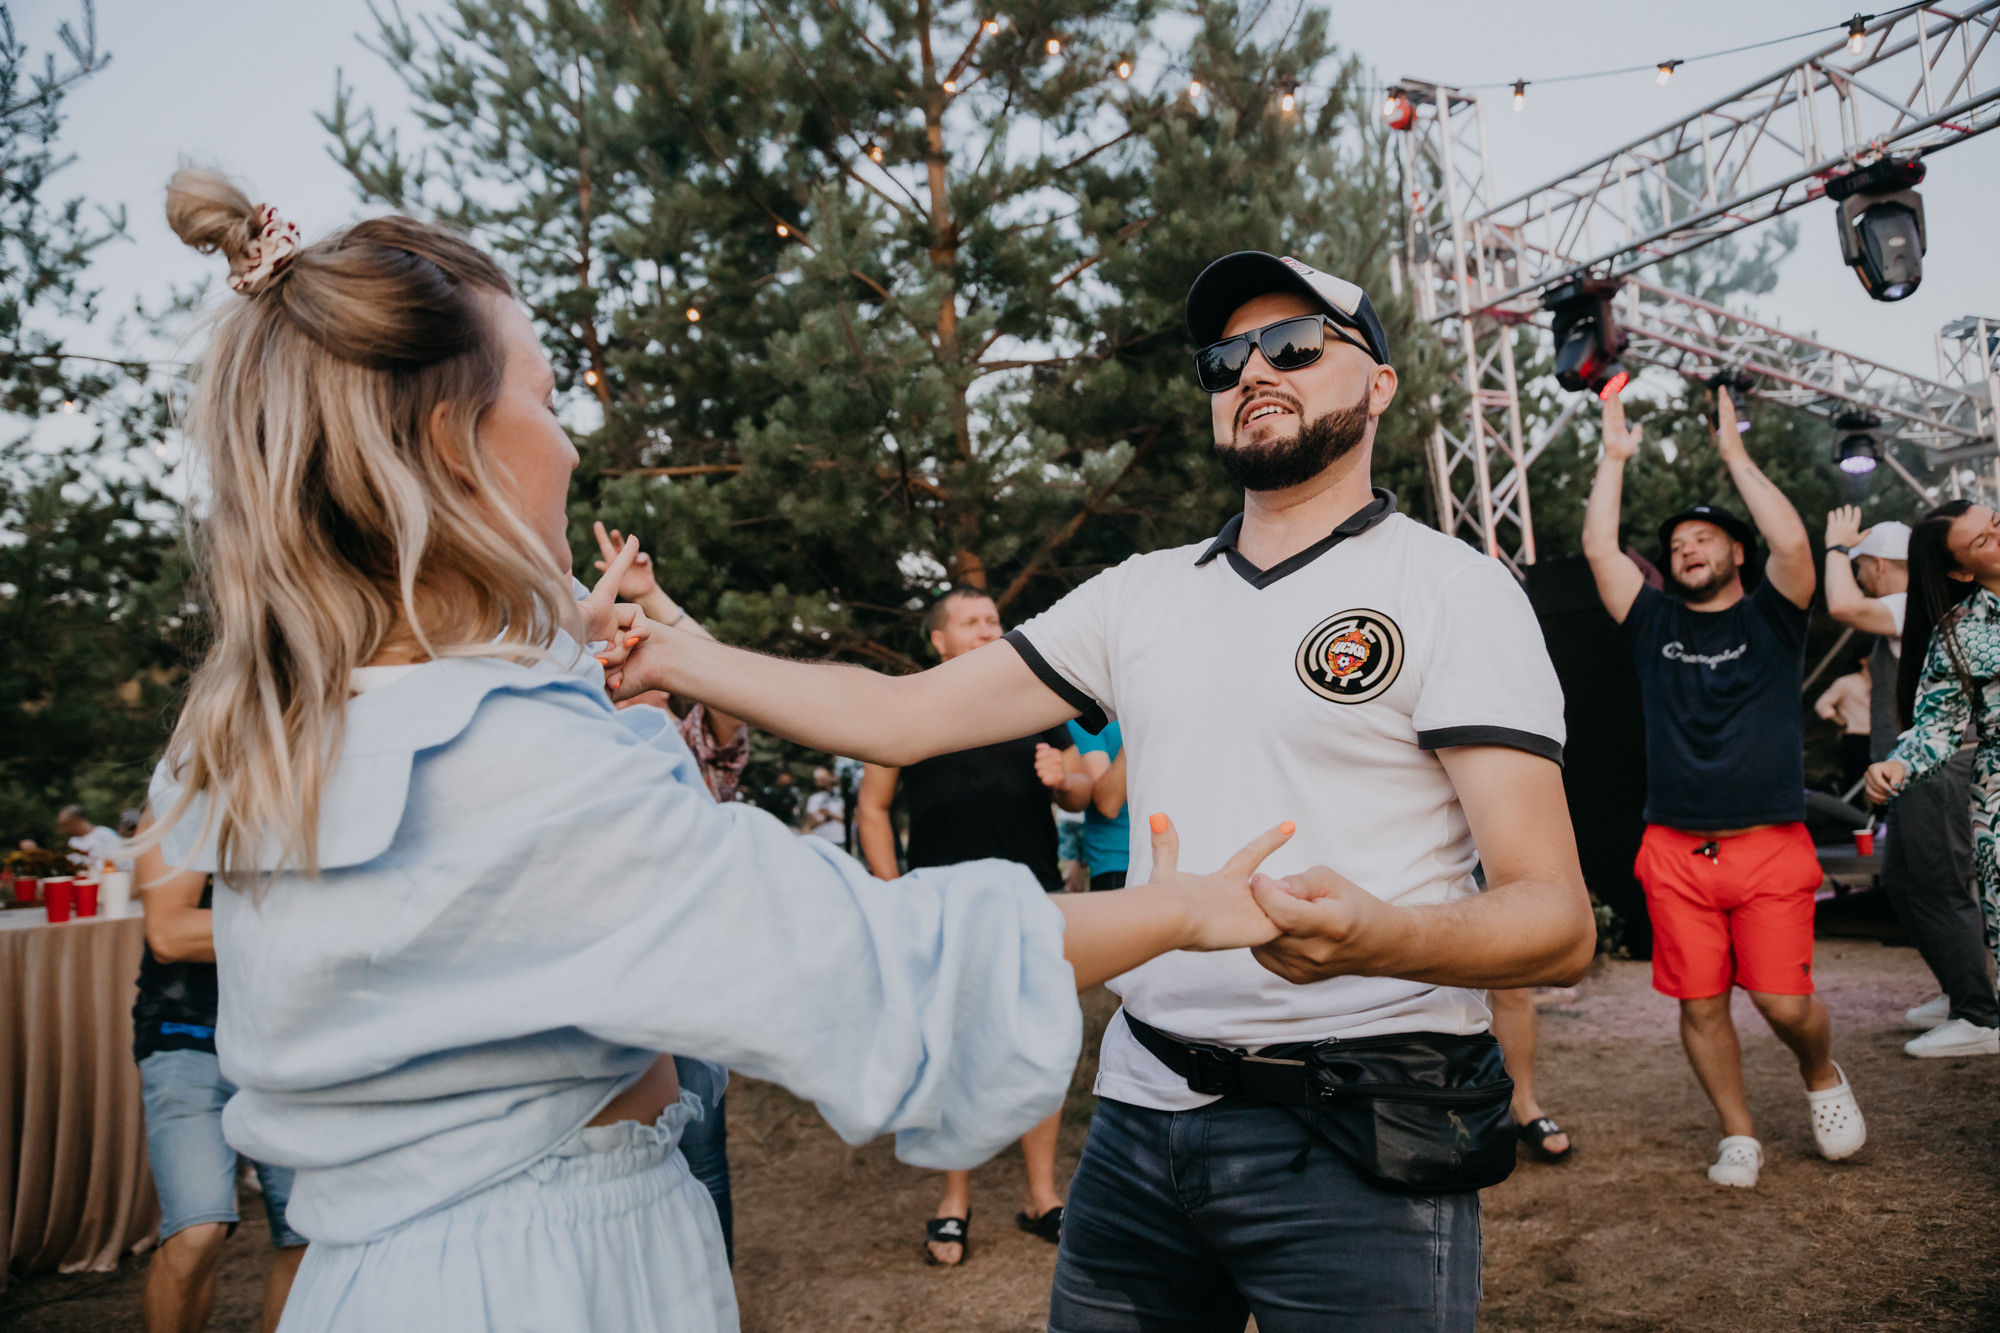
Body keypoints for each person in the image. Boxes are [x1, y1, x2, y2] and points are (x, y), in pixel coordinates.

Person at [138, 169, 1296, 1333]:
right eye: (546, 401)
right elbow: (882, 965)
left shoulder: (272, 728)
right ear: (452, 448)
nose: (571, 449)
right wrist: (1186, 909)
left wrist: (568, 633)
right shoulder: (517, 764)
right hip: (539, 1287)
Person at [620, 250, 1597, 1331]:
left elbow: (1553, 921)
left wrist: (1376, 937)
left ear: (1378, 384)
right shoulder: (1139, 595)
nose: (1251, 370)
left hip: (1356, 1130)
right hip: (1137, 1127)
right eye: (1224, 356)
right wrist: (673, 657)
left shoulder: (1453, 590)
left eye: (1293, 342)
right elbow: (899, 716)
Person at [1583, 387, 1864, 1190]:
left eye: (1706, 538)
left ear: (1738, 553)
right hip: (1673, 847)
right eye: (1678, 542)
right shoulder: (1653, 625)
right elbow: (1603, 549)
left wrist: (1735, 454)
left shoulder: (1776, 617)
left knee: (1781, 1003)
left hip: (1768, 846)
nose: (1687, 548)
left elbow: (1793, 544)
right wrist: (1614, 458)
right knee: (1701, 1002)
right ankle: (1738, 1133)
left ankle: (1820, 1072)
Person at [853, 584, 1092, 1263]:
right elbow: (875, 806)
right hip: (941, 900)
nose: (989, 629)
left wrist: (1063, 777)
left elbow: (1081, 789)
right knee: (952, 1044)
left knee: (1041, 1030)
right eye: (971, 621)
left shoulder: (1032, 699)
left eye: (994, 618)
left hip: (1035, 895)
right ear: (939, 639)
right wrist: (893, 893)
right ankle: (953, 1198)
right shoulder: (909, 704)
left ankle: (1042, 1195)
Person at [1825, 507, 1997, 1056]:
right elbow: (1937, 725)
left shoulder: (1910, 608)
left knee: (1939, 886)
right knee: (1907, 881)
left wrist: (1833, 547)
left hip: (1950, 779)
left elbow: (1843, 605)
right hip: (1972, 784)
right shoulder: (1958, 630)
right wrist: (1900, 762)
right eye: (1984, 537)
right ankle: (1966, 999)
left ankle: (1974, 1007)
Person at [131, 820, 305, 1333]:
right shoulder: (183, 793)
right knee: (196, 1231)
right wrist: (315, 927)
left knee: (307, 1235)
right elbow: (169, 933)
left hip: (289, 1037)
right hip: (187, 1030)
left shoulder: (321, 790)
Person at [1071, 720, 1130, 891]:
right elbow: (1108, 804)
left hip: (1182, 855)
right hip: (1118, 863)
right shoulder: (1084, 716)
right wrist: (1137, 731)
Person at [1813, 659, 1873, 793]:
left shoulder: (1883, 681)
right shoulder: (1847, 682)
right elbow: (1822, 704)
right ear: (1863, 660)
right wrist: (1840, 720)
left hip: (1877, 736)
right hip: (1855, 735)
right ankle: (1854, 809)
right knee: (1854, 776)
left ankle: (1880, 812)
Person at [57, 804, 126, 870]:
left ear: (76, 820)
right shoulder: (73, 842)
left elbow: (123, 862)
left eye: (65, 826)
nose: (63, 831)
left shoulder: (106, 835)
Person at [803, 766, 846, 845]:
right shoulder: (814, 798)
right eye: (817, 779)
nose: (820, 782)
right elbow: (811, 823)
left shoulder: (840, 796)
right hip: (820, 840)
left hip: (839, 840)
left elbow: (847, 820)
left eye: (822, 779)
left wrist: (829, 813)